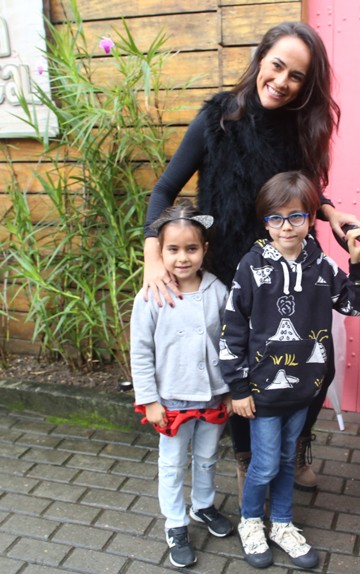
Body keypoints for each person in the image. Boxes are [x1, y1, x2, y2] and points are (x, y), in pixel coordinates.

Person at [142, 21, 360, 496]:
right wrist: (151, 253)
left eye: (297, 76)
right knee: (248, 367)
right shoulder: (218, 119)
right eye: (278, 65)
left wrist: (330, 210)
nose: (282, 81)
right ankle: (247, 459)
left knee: (313, 362)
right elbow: (163, 190)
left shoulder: (302, 127)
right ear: (261, 58)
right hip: (235, 270)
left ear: (307, 85)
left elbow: (302, 194)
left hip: (295, 264)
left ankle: (297, 444)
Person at [219, 171, 360, 569]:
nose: (286, 227)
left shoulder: (320, 264)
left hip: (305, 388)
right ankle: (251, 522)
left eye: (296, 217)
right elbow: (232, 329)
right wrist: (238, 389)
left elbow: (354, 305)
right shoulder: (251, 267)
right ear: (264, 220)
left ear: (311, 218)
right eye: (276, 218)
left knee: (288, 459)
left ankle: (282, 523)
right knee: (265, 462)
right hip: (263, 390)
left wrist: (357, 265)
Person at [131, 202, 234, 568]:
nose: (182, 257)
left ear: (204, 250)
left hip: (211, 395)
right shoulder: (150, 297)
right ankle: (175, 523)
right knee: (173, 463)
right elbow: (141, 353)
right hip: (171, 398)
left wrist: (232, 388)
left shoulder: (218, 291)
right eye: (172, 249)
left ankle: (203, 506)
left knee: (207, 457)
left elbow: (230, 340)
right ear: (160, 252)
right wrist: (150, 400)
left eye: (191, 248)